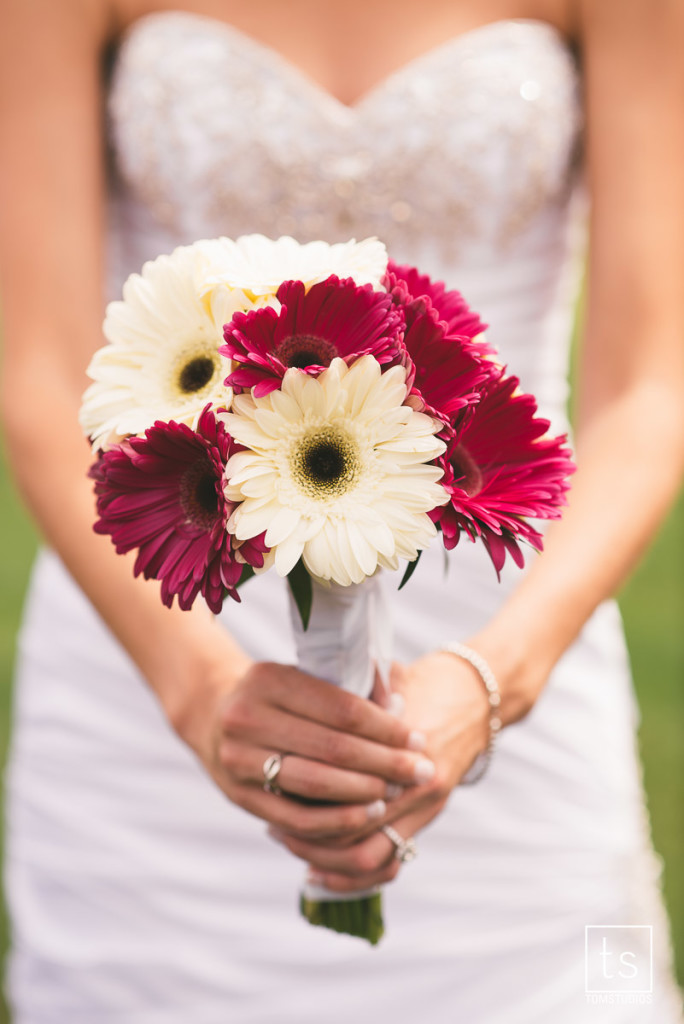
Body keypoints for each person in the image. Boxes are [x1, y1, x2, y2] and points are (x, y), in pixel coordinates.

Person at [1, 0, 683, 1020]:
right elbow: (37, 372)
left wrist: (491, 683)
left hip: (514, 633)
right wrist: (201, 693)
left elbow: (653, 386)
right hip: (152, 639)